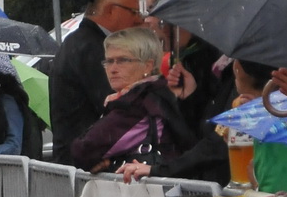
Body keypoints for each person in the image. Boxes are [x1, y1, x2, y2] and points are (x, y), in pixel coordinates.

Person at [70, 27, 198, 176]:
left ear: (148, 66)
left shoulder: (139, 102)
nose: (113, 69)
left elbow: (83, 150)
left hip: (154, 192)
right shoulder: (154, 93)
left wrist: (107, 161)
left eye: (123, 60)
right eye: (109, 61)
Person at [49, 0, 143, 163]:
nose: (138, 20)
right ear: (112, 11)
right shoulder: (92, 48)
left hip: (76, 160)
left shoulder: (78, 41)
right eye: (134, 12)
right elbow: (115, 107)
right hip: (84, 164)